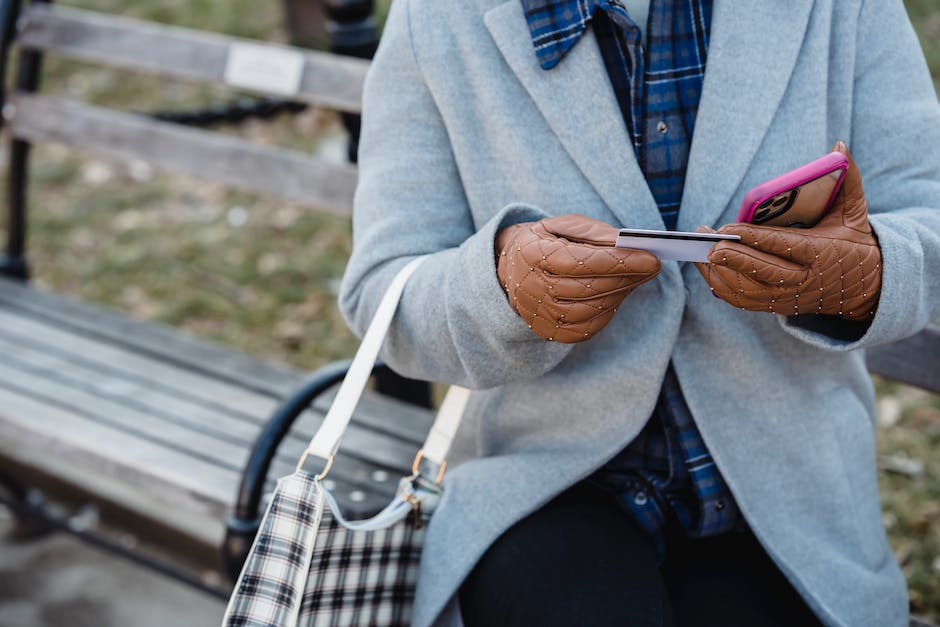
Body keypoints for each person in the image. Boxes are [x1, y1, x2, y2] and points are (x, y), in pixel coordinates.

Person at [338, 0, 940, 625]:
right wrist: (499, 287)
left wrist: (863, 272)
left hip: (794, 504)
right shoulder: (437, 18)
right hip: (539, 488)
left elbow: (927, 217)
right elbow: (384, 292)